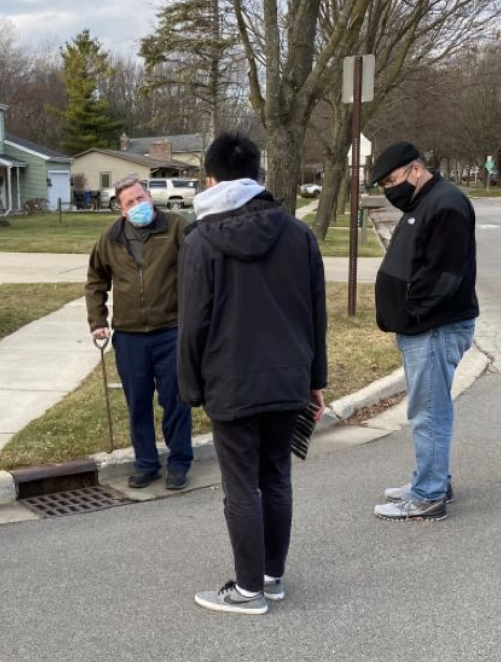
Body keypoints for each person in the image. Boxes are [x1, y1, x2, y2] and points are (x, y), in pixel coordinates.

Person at [177, 133, 327, 615]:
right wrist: (315, 381)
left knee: (241, 485)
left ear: (210, 179)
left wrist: (189, 386)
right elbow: (315, 315)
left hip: (231, 380)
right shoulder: (299, 234)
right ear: (258, 174)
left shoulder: (200, 241)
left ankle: (248, 591)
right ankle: (271, 576)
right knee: (277, 476)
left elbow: (192, 322)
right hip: (287, 379)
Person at [369, 142, 478, 521]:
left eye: (392, 180)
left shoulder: (446, 204)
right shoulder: (422, 202)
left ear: (416, 170)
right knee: (430, 408)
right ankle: (432, 478)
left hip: (434, 328)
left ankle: (428, 495)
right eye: (383, 185)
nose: (389, 190)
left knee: (428, 413)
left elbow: (446, 276)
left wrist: (413, 313)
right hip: (424, 328)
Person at [85, 174, 194, 490]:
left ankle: (179, 463)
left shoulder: (175, 227)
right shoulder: (111, 238)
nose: (138, 205)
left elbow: (198, 267)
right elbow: (95, 282)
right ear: (121, 209)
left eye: (141, 198)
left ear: (150, 197)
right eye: (130, 202)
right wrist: (97, 321)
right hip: (130, 336)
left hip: (171, 331)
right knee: (138, 403)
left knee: (176, 400)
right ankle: (146, 464)